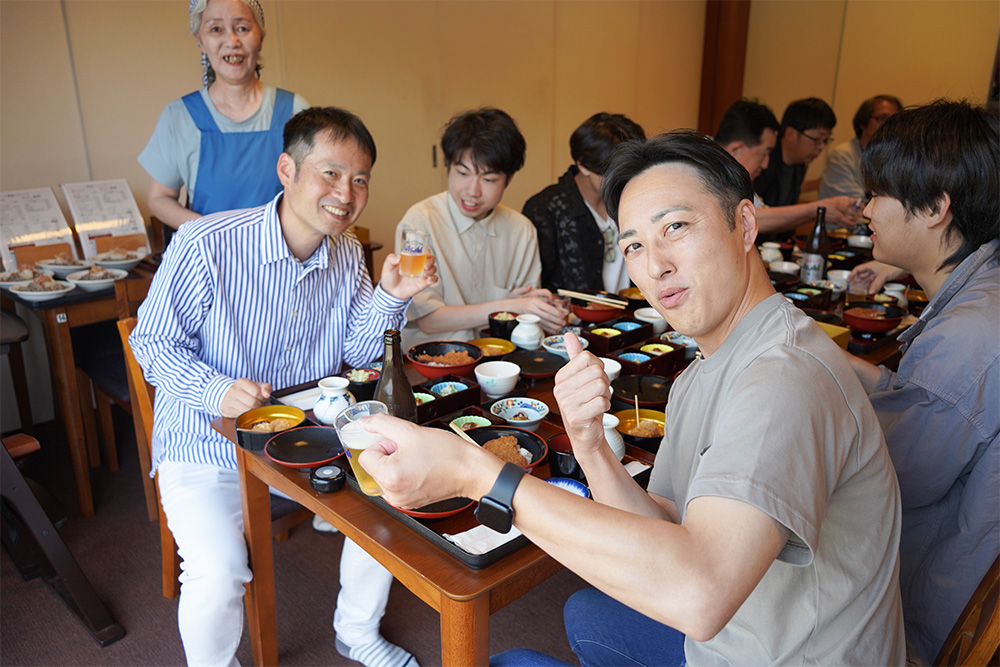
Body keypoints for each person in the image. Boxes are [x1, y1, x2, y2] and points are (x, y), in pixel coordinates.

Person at [361, 131, 906, 665]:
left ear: (744, 224)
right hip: (734, 635)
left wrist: (480, 476)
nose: (656, 264)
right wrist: (591, 444)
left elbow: (700, 595)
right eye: (635, 246)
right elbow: (663, 522)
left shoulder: (784, 378)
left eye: (676, 227)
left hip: (773, 649)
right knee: (587, 612)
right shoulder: (703, 369)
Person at [131, 107, 433, 667]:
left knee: (392, 494)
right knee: (218, 571)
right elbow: (151, 343)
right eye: (331, 173)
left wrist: (392, 295)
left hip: (305, 436)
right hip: (204, 441)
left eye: (360, 179)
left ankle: (357, 632)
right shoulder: (206, 243)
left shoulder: (347, 250)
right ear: (287, 169)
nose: (346, 193)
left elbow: (359, 352)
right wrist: (215, 389)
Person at [844, 100, 999, 665]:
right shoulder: (985, 289)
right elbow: (926, 402)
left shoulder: (969, 338)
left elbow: (890, 479)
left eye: (877, 193)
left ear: (935, 207)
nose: (865, 209)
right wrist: (827, 357)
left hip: (916, 614)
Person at [395, 107, 568, 349]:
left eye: (488, 179)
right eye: (462, 173)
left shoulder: (521, 230)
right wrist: (508, 305)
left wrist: (530, 307)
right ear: (448, 167)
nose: (472, 191)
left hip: (499, 356)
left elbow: (524, 310)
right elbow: (429, 320)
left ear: (508, 179)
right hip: (430, 358)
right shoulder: (420, 222)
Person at [138, 0, 309, 243]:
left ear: (261, 37)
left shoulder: (294, 110)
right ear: (200, 41)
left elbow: (314, 190)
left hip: (283, 254)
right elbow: (159, 198)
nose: (232, 41)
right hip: (209, 255)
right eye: (216, 29)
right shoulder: (179, 116)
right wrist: (214, 232)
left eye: (242, 28)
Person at [521, 112, 645, 293]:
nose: (624, 181)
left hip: (635, 310)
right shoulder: (544, 209)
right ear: (582, 165)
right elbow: (535, 289)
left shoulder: (636, 200)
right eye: (613, 174)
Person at [715, 98, 860, 233]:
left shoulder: (799, 166)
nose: (765, 164)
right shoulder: (705, 172)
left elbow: (760, 212)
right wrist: (816, 209)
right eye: (764, 154)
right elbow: (748, 219)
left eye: (826, 141)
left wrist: (817, 210)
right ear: (736, 150)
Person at [753, 97, 836, 208]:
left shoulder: (801, 162)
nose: (821, 147)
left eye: (825, 140)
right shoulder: (764, 161)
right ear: (791, 134)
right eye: (817, 139)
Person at [819, 94, 903, 200]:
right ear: (863, 123)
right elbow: (853, 203)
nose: (889, 125)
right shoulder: (842, 155)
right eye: (882, 118)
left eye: (895, 119)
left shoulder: (899, 158)